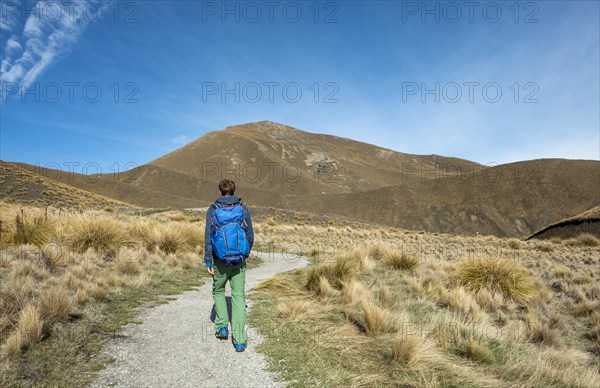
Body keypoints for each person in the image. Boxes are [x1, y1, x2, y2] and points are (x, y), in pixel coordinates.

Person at [204, 179, 254, 352]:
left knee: (218, 291)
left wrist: (208, 260)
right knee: (238, 296)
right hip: (239, 261)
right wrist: (244, 255)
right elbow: (250, 236)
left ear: (220, 192)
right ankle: (239, 341)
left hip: (220, 260)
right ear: (233, 191)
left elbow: (208, 237)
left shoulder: (213, 210)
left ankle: (222, 327)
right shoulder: (242, 209)